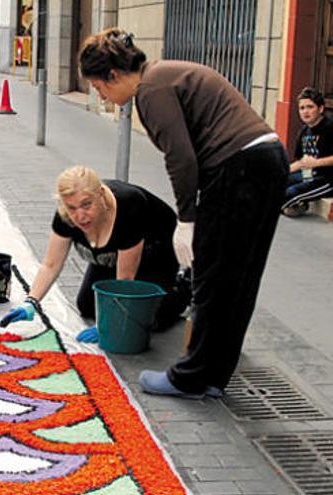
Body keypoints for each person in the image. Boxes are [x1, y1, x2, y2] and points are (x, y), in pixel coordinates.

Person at [79, 28, 287, 399]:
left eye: (99, 88)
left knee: (210, 277)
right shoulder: (164, 73)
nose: (103, 97)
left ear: (113, 74)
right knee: (237, 279)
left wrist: (187, 219)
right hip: (266, 160)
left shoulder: (151, 90)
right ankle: (212, 374)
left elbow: (181, 158)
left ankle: (189, 377)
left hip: (239, 170)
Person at [0, 166, 189, 332]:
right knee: (87, 306)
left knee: (143, 320)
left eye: (86, 204)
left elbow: (124, 280)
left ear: (100, 194)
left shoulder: (129, 207)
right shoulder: (66, 216)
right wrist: (31, 302)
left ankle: (184, 288)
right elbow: (50, 265)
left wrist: (108, 326)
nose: (80, 216)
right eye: (72, 207)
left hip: (156, 252)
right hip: (112, 257)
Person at [281, 87, 333, 216]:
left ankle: (291, 205)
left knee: (290, 193)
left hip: (328, 179)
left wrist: (316, 163)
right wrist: (281, 172)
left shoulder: (330, 127)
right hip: (308, 175)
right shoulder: (303, 131)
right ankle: (294, 206)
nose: (305, 112)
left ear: (320, 109)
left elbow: (312, 163)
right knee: (278, 182)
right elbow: (300, 162)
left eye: (310, 107)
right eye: (302, 108)